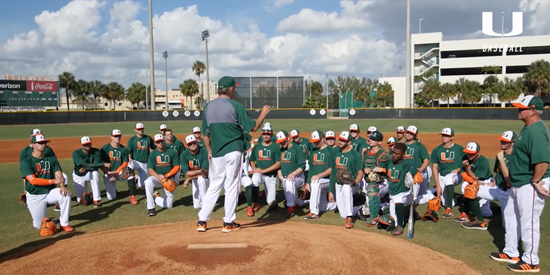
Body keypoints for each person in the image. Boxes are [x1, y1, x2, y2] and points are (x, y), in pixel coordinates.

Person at [197, 76, 270, 233]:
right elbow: (254, 128)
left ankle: (202, 220)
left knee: (214, 185)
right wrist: (263, 114)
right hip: (233, 151)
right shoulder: (235, 106)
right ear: (230, 89)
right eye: (234, 88)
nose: (235, 90)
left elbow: (205, 135)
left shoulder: (208, 107)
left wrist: (209, 150)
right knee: (231, 186)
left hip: (216, 153)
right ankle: (228, 222)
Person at [490, 96, 550, 273]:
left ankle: (532, 261)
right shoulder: (528, 127)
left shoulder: (536, 131)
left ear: (533, 111)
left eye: (522, 108)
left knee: (528, 222)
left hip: (528, 184)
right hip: (518, 183)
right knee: (512, 218)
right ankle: (511, 252)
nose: (518, 110)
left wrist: (536, 181)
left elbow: (542, 162)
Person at [20, 134, 74, 233]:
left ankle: (64, 223)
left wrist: (62, 186)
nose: (43, 145)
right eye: (40, 143)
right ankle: (49, 221)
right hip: (35, 195)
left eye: (44, 143)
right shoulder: (26, 162)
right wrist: (53, 181)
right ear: (33, 145)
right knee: (39, 226)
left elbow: (59, 174)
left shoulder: (51, 159)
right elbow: (33, 181)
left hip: (49, 192)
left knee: (66, 194)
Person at [372, 142, 421, 235]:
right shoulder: (389, 162)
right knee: (392, 219)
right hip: (392, 195)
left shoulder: (406, 164)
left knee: (399, 201)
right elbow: (386, 171)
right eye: (393, 152)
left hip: (405, 194)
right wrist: (380, 171)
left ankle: (400, 226)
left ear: (403, 154)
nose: (394, 155)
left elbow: (414, 169)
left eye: (397, 153)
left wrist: (412, 174)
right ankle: (410, 214)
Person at [20, 129, 67, 211]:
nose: (43, 144)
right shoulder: (25, 152)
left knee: (64, 177)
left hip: (48, 172)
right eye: (35, 136)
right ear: (31, 138)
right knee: (38, 222)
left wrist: (61, 184)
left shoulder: (48, 149)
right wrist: (25, 189)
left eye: (43, 142)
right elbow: (25, 172)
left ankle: (58, 203)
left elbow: (54, 164)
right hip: (34, 177)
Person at [328, 131, 363, 229]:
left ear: (349, 142)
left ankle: (349, 217)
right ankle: (361, 209)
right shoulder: (335, 154)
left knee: (346, 188)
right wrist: (330, 191)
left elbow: (360, 172)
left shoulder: (355, 154)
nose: (340, 142)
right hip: (339, 184)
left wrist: (355, 182)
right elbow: (333, 173)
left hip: (352, 184)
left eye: (343, 141)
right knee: (342, 214)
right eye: (340, 140)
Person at [456, 142, 494, 230]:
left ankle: (496, 210)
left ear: (477, 153)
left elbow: (476, 177)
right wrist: (472, 182)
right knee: (467, 187)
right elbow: (463, 174)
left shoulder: (483, 161)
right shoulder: (464, 158)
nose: (469, 155)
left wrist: (467, 167)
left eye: (471, 153)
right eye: (468, 152)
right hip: (473, 181)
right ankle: (466, 213)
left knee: (486, 213)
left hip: (485, 181)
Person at [430, 127, 465, 218]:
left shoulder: (459, 149)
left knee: (449, 178)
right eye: (443, 135)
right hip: (442, 176)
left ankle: (449, 209)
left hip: (456, 175)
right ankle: (456, 201)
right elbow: (434, 168)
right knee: (446, 202)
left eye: (446, 136)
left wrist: (459, 169)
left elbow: (467, 162)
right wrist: (437, 184)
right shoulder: (436, 150)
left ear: (452, 137)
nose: (444, 137)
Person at [145, 134, 180, 216]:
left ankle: (155, 197)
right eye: (158, 142)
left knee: (168, 205)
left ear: (164, 141)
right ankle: (151, 208)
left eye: (161, 141)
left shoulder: (172, 152)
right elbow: (150, 170)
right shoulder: (153, 154)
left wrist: (166, 176)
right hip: (158, 178)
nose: (160, 143)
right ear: (155, 143)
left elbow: (177, 167)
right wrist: (158, 177)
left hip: (169, 179)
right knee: (148, 182)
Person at [359, 130, 390, 226]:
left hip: (383, 183)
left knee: (372, 189)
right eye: (370, 138)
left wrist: (383, 169)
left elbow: (392, 171)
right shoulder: (365, 153)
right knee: (366, 209)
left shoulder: (385, 154)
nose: (370, 140)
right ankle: (386, 207)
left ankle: (374, 217)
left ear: (379, 142)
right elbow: (361, 167)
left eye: (374, 139)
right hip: (367, 182)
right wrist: (364, 169)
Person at [303, 130, 336, 220]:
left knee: (316, 183)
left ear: (323, 139)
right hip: (317, 181)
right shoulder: (313, 150)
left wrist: (319, 175)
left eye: (317, 140)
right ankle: (339, 204)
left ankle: (313, 212)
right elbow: (311, 168)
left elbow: (332, 168)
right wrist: (308, 183)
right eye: (314, 141)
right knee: (322, 208)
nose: (315, 143)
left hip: (328, 180)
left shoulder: (330, 151)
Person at [100, 129, 138, 205]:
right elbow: (100, 164)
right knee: (111, 198)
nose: (117, 138)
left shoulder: (124, 149)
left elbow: (125, 163)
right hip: (109, 173)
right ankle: (113, 191)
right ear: (111, 137)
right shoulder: (105, 148)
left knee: (130, 172)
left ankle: (132, 196)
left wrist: (116, 173)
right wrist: (108, 172)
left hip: (119, 172)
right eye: (115, 136)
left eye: (119, 136)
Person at [276, 130, 307, 218]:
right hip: (285, 177)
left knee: (289, 182)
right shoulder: (280, 150)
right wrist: (279, 172)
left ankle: (290, 208)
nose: (282, 143)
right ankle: (305, 202)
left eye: (283, 141)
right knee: (293, 196)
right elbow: (278, 164)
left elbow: (302, 166)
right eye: (280, 142)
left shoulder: (297, 149)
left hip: (298, 177)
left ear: (288, 138)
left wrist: (293, 174)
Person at [250, 126, 281, 212]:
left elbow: (278, 163)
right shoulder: (257, 147)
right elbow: (251, 160)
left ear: (271, 135)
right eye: (264, 134)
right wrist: (254, 169)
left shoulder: (276, 147)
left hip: (271, 176)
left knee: (271, 202)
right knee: (254, 179)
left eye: (267, 134)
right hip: (260, 174)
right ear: (262, 135)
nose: (266, 136)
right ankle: (255, 202)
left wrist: (264, 170)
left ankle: (267, 198)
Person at [72, 136, 106, 207]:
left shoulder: (96, 152)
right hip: (78, 176)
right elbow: (85, 164)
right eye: (85, 144)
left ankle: (96, 200)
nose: (87, 146)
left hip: (89, 173)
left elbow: (95, 167)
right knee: (81, 200)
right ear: (81, 145)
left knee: (95, 173)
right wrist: (103, 164)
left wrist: (87, 168)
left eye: (88, 144)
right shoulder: (76, 153)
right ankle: (90, 197)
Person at [403, 125, 433, 205]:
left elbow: (426, 161)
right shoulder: (402, 146)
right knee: (415, 194)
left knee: (417, 194)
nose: (409, 135)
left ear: (415, 135)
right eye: (408, 133)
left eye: (411, 134)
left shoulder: (419, 146)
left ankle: (431, 195)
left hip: (419, 172)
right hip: (405, 172)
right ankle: (431, 193)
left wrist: (419, 170)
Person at [180, 135, 209, 209]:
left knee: (201, 180)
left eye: (194, 143)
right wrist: (199, 171)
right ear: (187, 146)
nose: (192, 145)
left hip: (208, 177)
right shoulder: (184, 155)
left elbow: (205, 172)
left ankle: (206, 205)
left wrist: (188, 178)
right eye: (190, 144)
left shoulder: (204, 151)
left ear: (197, 142)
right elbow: (186, 173)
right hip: (195, 178)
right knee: (196, 206)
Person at [127, 123, 155, 188]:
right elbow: (128, 151)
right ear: (135, 130)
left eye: (142, 129)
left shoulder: (148, 138)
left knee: (142, 185)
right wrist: (129, 158)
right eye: (139, 129)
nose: (141, 130)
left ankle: (136, 179)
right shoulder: (132, 140)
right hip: (135, 161)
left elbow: (154, 148)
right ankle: (131, 184)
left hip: (145, 162)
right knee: (128, 166)